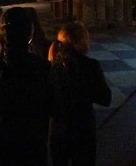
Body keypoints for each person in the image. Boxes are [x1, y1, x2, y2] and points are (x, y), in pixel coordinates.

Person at [0, 7, 51, 166]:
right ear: (30, 34)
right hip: (34, 139)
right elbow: (53, 106)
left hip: (4, 140)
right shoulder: (44, 67)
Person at [48, 22, 111, 166]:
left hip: (59, 129)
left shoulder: (52, 65)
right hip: (83, 129)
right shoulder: (90, 65)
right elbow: (106, 98)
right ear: (82, 41)